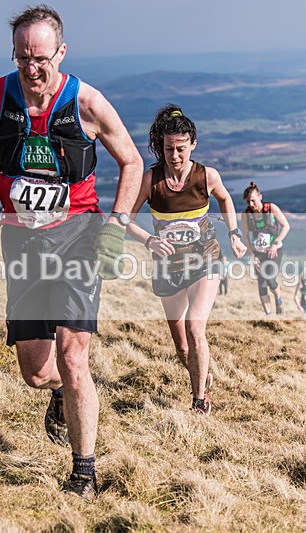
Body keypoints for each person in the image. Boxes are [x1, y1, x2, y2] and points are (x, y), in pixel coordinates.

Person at [0, 5, 142, 499]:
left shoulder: (87, 103)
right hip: (22, 239)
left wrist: (115, 228)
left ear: (61, 53)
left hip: (78, 236)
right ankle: (58, 391)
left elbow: (131, 162)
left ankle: (83, 473)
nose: (32, 68)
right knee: (37, 371)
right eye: (22, 58)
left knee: (72, 354)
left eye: (40, 58)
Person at [125, 105, 246, 415]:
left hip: (206, 259)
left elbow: (225, 198)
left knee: (195, 327)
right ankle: (202, 376)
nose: (175, 155)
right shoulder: (151, 180)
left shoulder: (206, 176)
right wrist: (150, 240)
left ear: (193, 144)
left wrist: (234, 233)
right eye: (169, 149)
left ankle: (199, 401)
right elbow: (125, 219)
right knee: (182, 345)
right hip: (168, 268)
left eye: (180, 148)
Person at [241, 182, 290, 316]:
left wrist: (275, 243)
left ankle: (278, 300)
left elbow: (286, 226)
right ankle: (268, 315)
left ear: (260, 197)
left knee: (270, 279)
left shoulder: (271, 208)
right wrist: (252, 256)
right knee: (261, 284)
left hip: (275, 251)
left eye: (253, 200)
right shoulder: (246, 214)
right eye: (248, 202)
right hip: (258, 253)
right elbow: (246, 237)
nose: (251, 204)